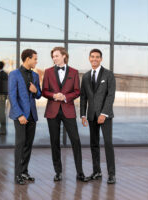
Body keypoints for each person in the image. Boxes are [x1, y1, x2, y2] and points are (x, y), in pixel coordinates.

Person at [42, 47, 89, 182]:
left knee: (76, 140)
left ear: (64, 56)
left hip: (68, 110)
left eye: (56, 56)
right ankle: (58, 172)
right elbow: (44, 91)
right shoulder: (48, 72)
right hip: (52, 111)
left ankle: (80, 173)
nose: (54, 58)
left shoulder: (74, 72)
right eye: (53, 56)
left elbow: (77, 91)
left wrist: (66, 97)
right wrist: (54, 95)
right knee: (54, 142)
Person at [80, 49, 116, 184]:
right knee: (94, 144)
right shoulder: (86, 76)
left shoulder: (108, 74)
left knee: (108, 143)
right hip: (91, 116)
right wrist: (83, 115)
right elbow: (83, 97)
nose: (94, 59)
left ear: (101, 59)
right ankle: (97, 172)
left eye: (97, 57)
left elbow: (110, 95)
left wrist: (104, 113)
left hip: (105, 116)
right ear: (89, 58)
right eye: (92, 56)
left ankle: (111, 174)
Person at [8, 49, 41, 185]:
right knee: (20, 144)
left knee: (28, 145)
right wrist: (20, 114)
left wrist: (35, 91)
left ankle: (24, 172)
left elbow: (38, 94)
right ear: (27, 59)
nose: (36, 61)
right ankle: (17, 175)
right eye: (35, 59)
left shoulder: (35, 75)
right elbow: (12, 96)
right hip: (20, 116)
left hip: (32, 115)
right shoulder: (14, 74)